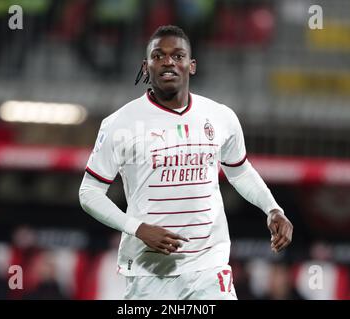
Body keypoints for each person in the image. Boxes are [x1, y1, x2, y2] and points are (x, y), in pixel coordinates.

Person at [79, 25, 293, 300]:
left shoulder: (220, 116)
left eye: (178, 55)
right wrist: (138, 229)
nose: (168, 61)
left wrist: (272, 209)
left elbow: (239, 172)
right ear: (146, 67)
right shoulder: (120, 124)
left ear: (191, 66)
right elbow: (88, 193)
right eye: (158, 56)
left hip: (209, 267)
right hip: (149, 271)